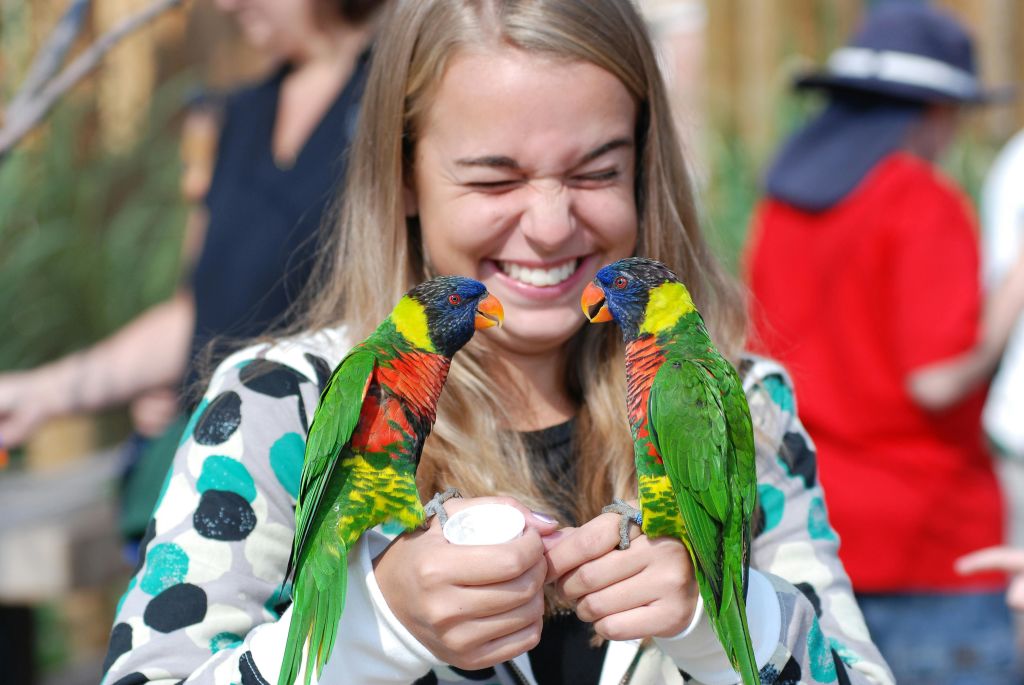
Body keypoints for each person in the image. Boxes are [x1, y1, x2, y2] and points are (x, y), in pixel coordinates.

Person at [101, 1, 894, 684]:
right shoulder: (281, 406)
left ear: (644, 172)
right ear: (404, 175)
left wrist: (725, 619)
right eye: (493, 179)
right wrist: (371, 633)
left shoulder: (741, 406)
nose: (550, 226)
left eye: (594, 172)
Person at [0, 0, 387, 540]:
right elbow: (202, 314)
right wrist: (42, 394)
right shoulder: (239, 114)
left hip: (329, 485)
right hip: (218, 478)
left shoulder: (395, 99)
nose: (226, 5)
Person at [745, 4, 1024, 684]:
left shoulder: (779, 210)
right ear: (931, 111)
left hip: (808, 540)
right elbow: (935, 379)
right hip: (933, 549)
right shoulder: (918, 199)